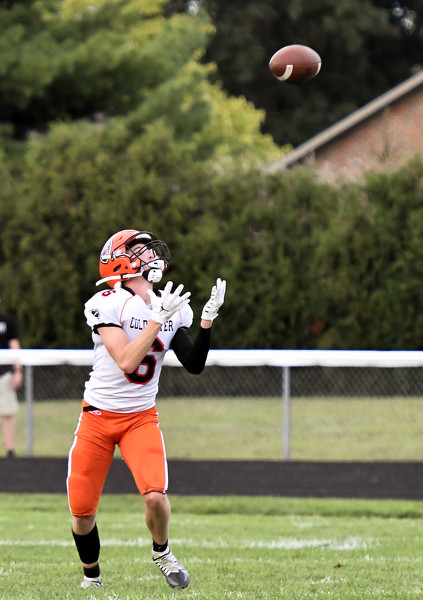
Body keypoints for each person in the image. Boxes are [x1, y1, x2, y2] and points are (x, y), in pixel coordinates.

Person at [66, 229, 226, 590]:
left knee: (156, 496)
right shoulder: (108, 302)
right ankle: (92, 576)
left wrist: (206, 321)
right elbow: (126, 360)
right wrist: (156, 318)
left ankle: (162, 552)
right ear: (119, 262)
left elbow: (194, 363)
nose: (151, 255)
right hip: (98, 417)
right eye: (140, 250)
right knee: (82, 512)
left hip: (140, 418)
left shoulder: (170, 305)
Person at [0, 290, 23, 458]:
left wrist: (18, 371)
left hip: (4, 374)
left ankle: (10, 451)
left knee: (7, 414)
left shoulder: (7, 321)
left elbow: (14, 347)